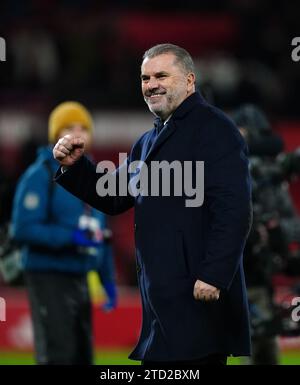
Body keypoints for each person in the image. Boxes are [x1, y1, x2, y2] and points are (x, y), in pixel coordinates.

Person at [53, 44, 252, 365]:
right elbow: (112, 195)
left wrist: (215, 274)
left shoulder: (215, 130)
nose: (151, 84)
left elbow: (234, 210)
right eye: (145, 78)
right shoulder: (147, 142)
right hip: (162, 304)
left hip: (197, 297)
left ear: (189, 81)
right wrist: (76, 166)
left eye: (161, 75)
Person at [11, 101, 117, 365]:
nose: (78, 133)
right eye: (69, 127)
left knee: (82, 356)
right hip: (49, 276)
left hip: (80, 276)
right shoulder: (39, 175)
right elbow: (22, 229)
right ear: (55, 134)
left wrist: (107, 280)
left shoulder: (94, 177)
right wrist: (71, 237)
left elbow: (99, 234)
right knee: (59, 355)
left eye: (84, 127)